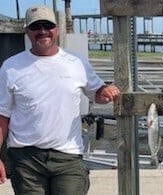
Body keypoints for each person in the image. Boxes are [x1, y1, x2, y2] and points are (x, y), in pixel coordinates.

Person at [0, 5, 120, 194]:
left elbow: (96, 92)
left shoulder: (77, 62)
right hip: (25, 158)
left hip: (68, 156)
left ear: (56, 29)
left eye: (47, 26)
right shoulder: (10, 67)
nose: (42, 31)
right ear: (27, 31)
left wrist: (106, 92)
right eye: (36, 27)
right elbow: (2, 117)